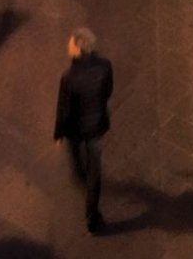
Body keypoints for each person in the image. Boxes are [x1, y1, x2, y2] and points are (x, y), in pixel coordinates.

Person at [53, 27, 114, 235]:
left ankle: (81, 176)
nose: (67, 47)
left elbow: (64, 109)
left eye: (70, 44)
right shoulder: (105, 67)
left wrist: (58, 133)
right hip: (96, 127)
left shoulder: (69, 77)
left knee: (78, 161)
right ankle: (92, 218)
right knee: (95, 171)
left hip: (75, 129)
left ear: (79, 48)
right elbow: (107, 91)